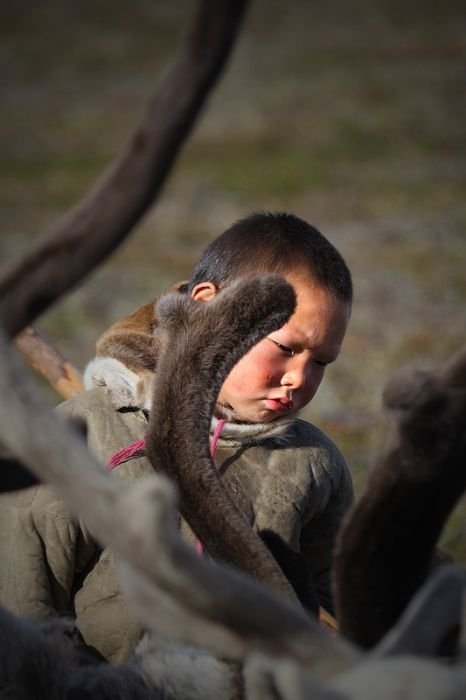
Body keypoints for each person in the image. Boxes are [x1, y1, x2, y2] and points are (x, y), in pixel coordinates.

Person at [0, 211, 354, 664]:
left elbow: (334, 609)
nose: (299, 379)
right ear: (210, 308)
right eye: (286, 348)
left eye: (322, 362)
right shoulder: (86, 436)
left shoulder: (314, 464)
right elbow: (23, 606)